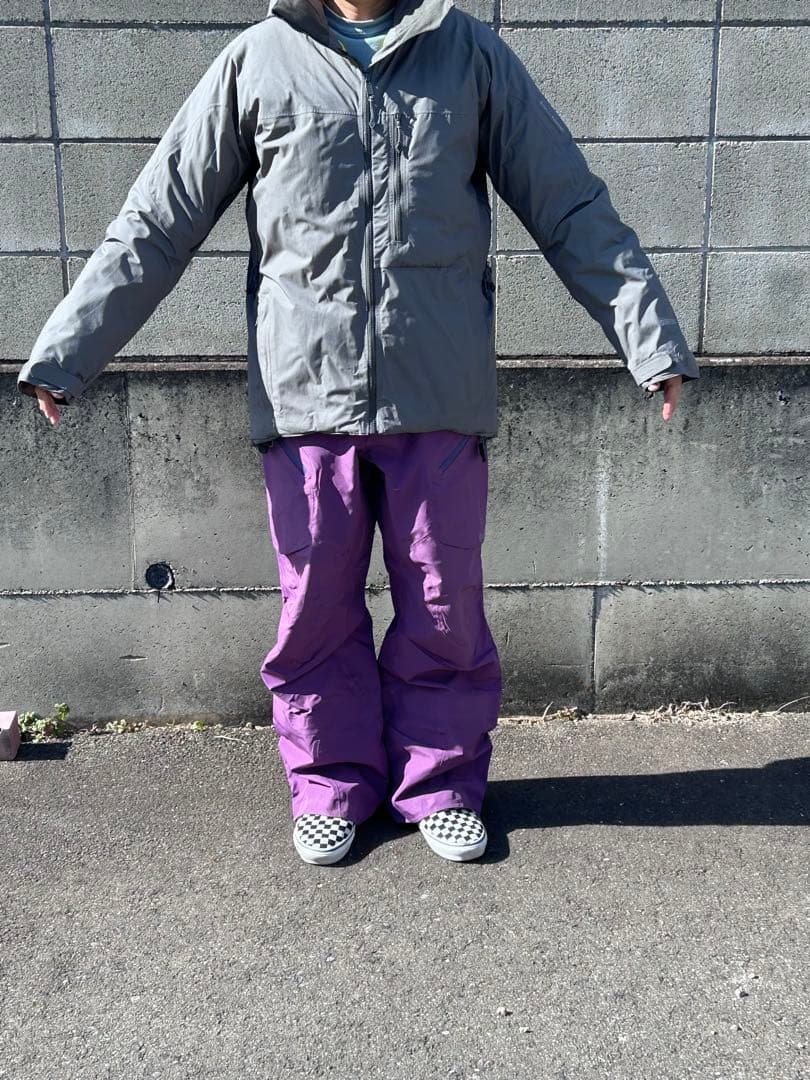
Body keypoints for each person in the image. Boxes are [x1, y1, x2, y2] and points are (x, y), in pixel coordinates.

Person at [17, 0, 700, 866]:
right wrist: (68, 351)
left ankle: (442, 784)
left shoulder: (469, 56)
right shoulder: (259, 62)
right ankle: (330, 784)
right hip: (307, 396)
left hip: (437, 394)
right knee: (315, 611)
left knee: (445, 608)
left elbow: (568, 202)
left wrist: (650, 338)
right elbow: (159, 218)